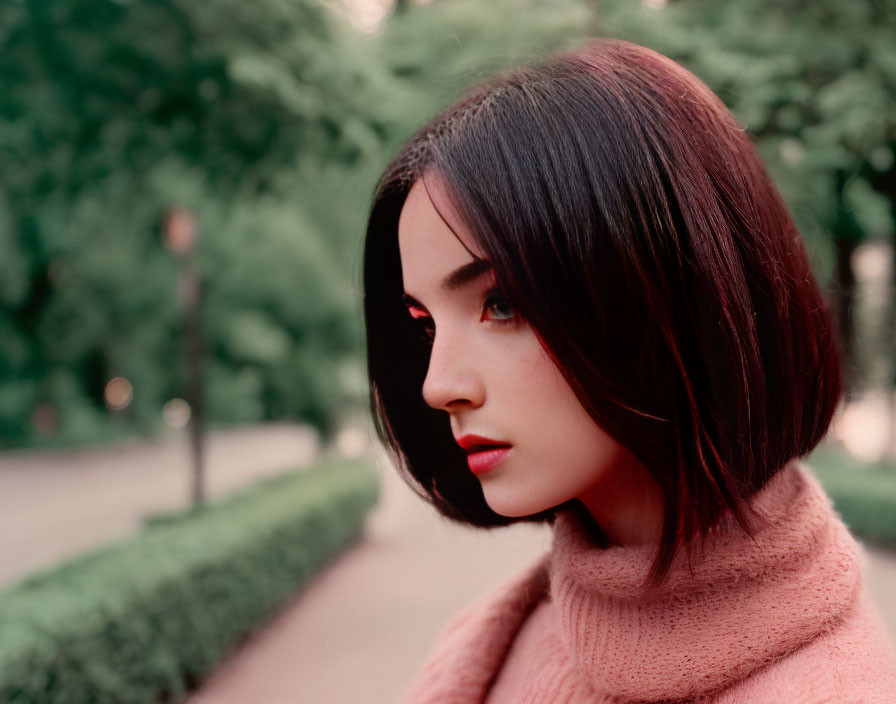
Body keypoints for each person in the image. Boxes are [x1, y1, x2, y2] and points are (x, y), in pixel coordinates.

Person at [362, 38, 896, 703]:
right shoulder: (502, 639)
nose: (438, 386)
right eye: (426, 325)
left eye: (501, 303)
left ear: (663, 287)